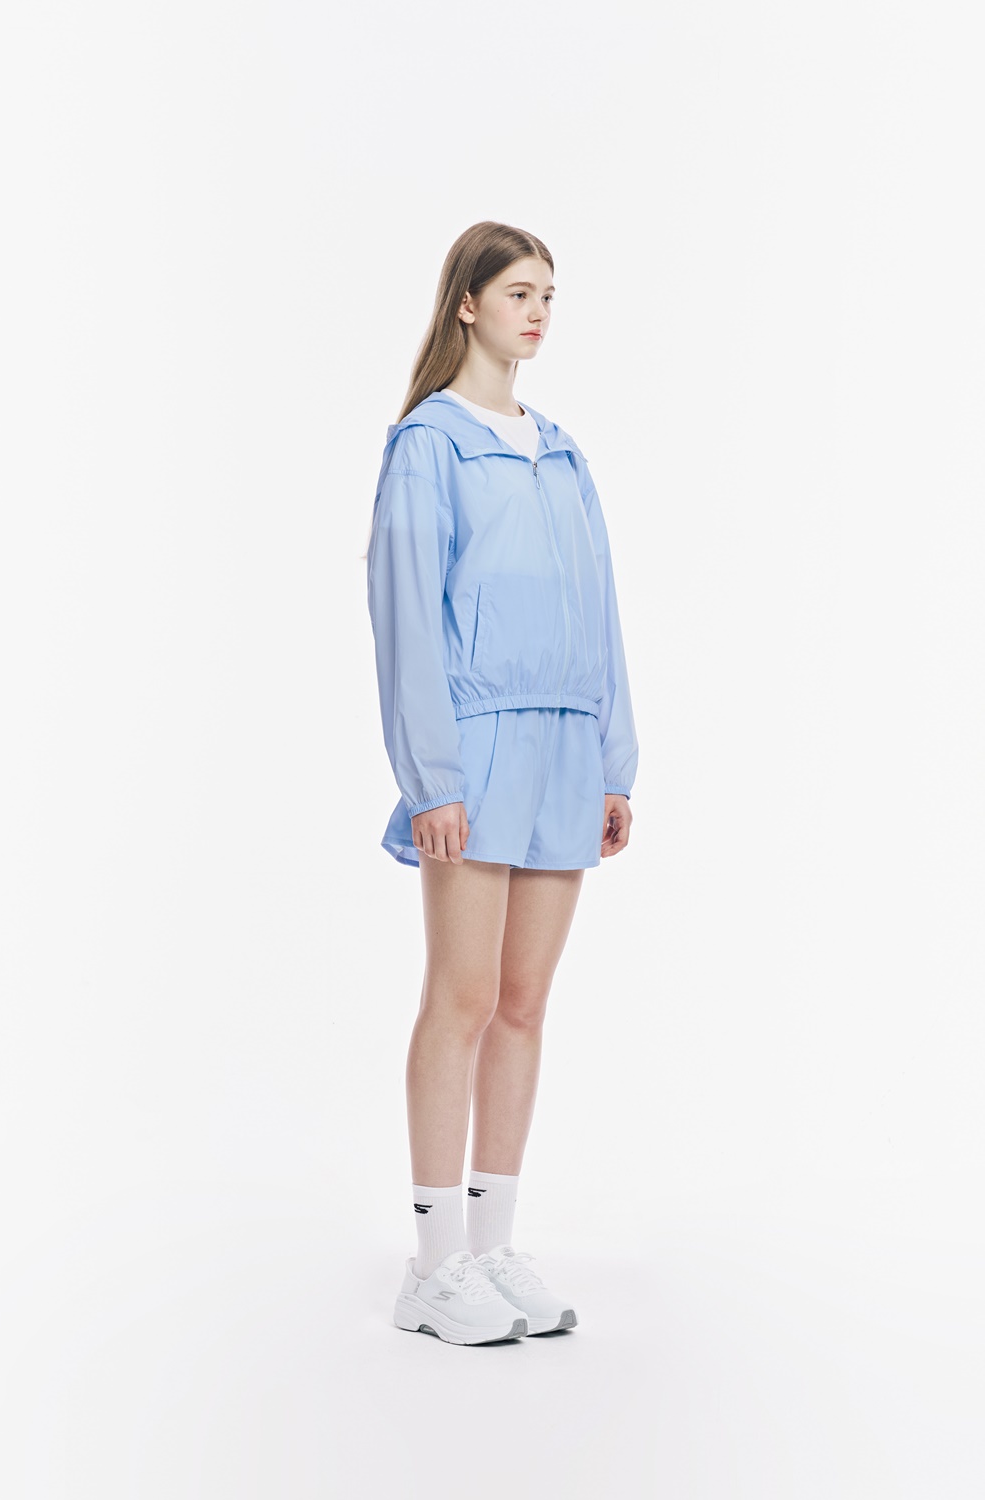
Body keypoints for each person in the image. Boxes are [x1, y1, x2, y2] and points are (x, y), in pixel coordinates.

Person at [364, 221, 639, 1345]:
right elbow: (404, 620)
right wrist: (432, 776)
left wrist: (614, 760)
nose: (538, 312)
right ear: (467, 303)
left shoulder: (562, 453)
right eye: (519, 292)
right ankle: (433, 1267)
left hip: (568, 744)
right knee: (464, 998)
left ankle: (490, 1244)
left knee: (524, 1004)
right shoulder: (429, 445)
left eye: (549, 295)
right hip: (474, 747)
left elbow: (603, 612)